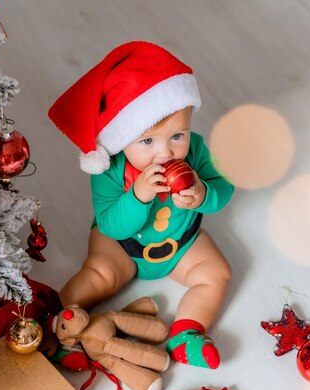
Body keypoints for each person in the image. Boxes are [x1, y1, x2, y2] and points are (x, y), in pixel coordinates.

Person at [48, 41, 234, 369]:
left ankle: (187, 333)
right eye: (147, 141)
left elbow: (225, 187)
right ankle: (60, 328)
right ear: (123, 137)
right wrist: (138, 197)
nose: (165, 153)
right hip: (121, 246)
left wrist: (203, 194)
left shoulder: (197, 151)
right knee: (98, 274)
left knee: (216, 272)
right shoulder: (110, 170)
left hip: (180, 241)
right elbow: (109, 225)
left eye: (178, 135)